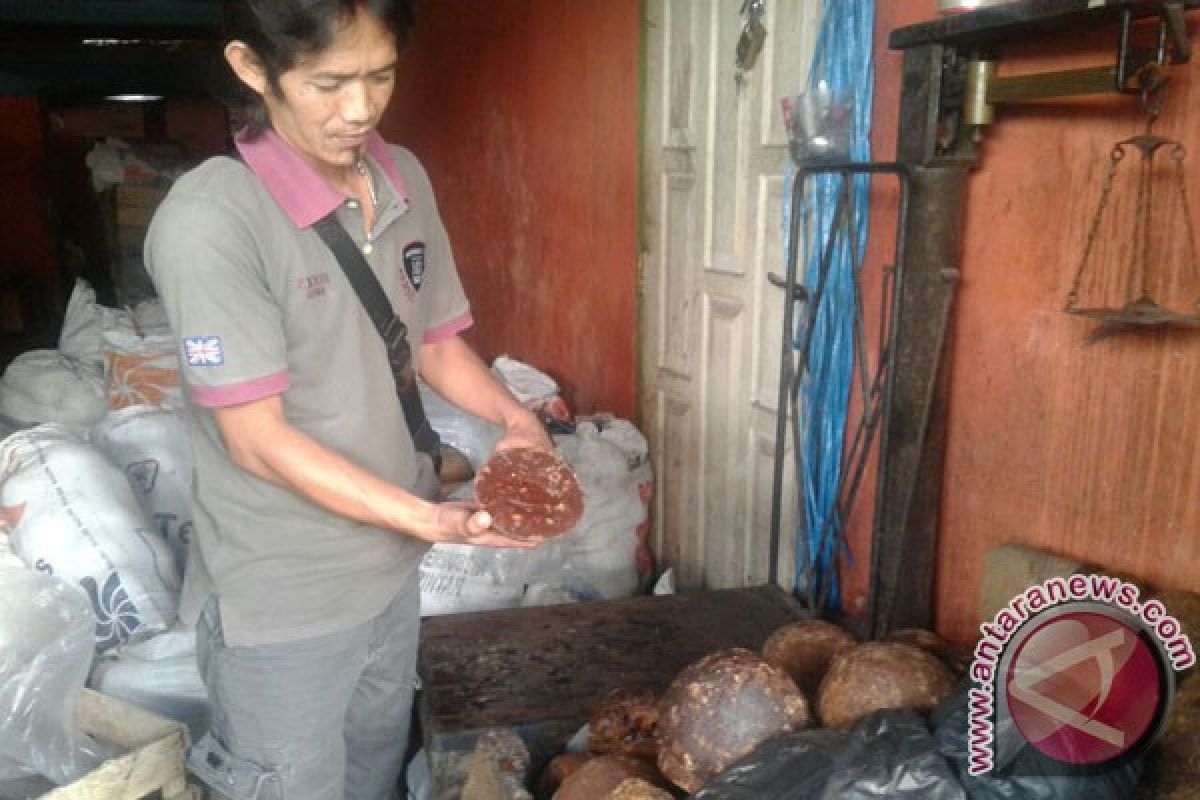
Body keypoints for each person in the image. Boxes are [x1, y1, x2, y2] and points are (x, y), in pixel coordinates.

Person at [144, 2, 552, 798]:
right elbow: (256, 439)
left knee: (372, 774)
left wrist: (519, 421)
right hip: (286, 599)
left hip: (392, 569)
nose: (360, 109)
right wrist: (434, 519)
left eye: (381, 75)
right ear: (252, 68)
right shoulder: (211, 220)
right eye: (328, 83)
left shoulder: (401, 176)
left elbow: (431, 339)